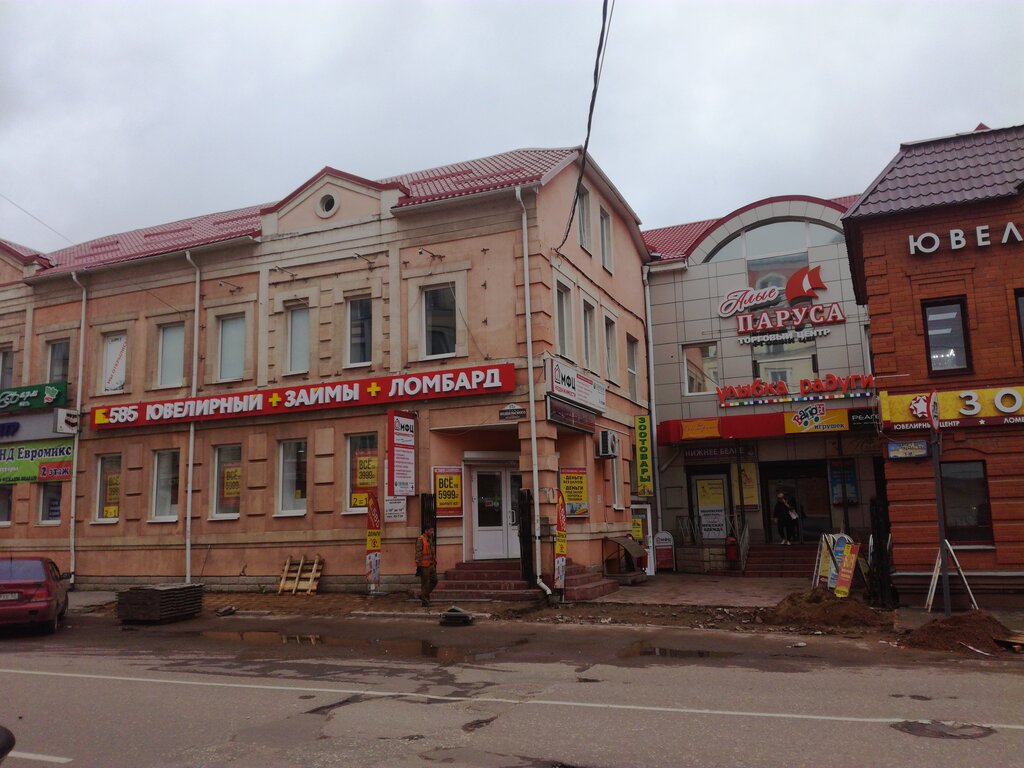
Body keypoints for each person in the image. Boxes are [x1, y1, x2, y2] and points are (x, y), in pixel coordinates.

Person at [415, 525, 437, 606]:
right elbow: (418, 552)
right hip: (424, 565)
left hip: (431, 564)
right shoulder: (421, 539)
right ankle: (425, 601)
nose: (432, 532)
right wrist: (418, 565)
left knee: (435, 580)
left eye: (432, 531)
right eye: (431, 531)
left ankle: (422, 595)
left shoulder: (430, 539)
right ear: (426, 531)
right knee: (425, 583)